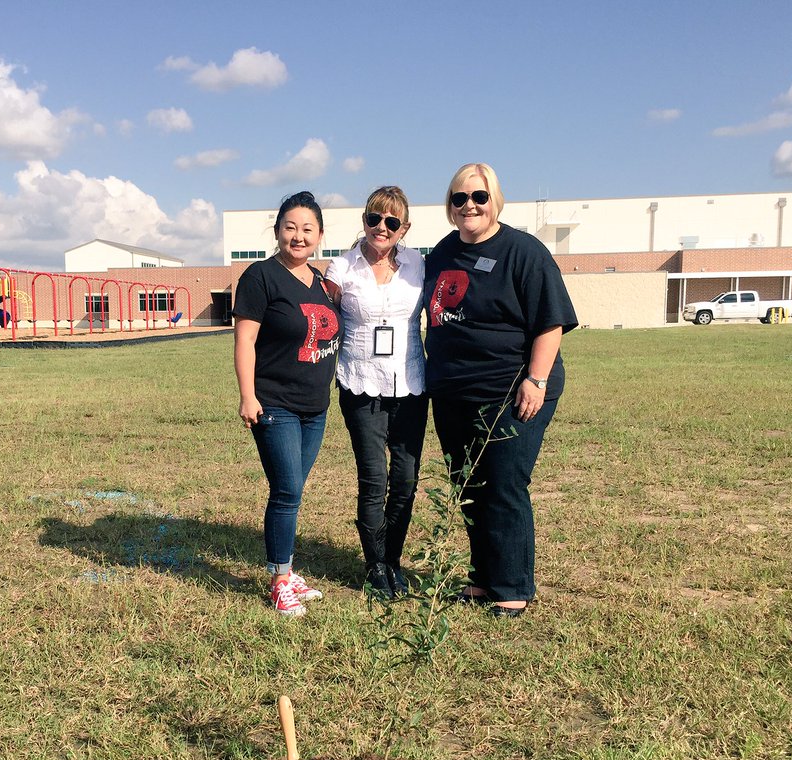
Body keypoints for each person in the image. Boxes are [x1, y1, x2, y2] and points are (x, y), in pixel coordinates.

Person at [423, 163, 578, 617]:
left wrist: (536, 379)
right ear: (450, 205)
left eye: (479, 196)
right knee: (468, 483)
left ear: (495, 200)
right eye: (460, 198)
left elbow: (550, 321)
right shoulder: (443, 252)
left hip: (512, 390)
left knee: (504, 483)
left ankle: (512, 587)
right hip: (453, 391)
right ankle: (482, 578)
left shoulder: (523, 252)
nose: (469, 205)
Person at [233, 191, 341, 617]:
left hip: (316, 407)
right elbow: (245, 340)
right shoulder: (260, 277)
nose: (298, 236)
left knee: (293, 492)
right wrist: (248, 395)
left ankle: (287, 571)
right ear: (277, 231)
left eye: (307, 229)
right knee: (286, 491)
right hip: (275, 404)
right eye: (290, 227)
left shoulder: (322, 283)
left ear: (320, 235)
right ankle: (280, 580)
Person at [325, 186, 427, 597]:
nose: (381, 227)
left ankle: (393, 560)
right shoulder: (341, 268)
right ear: (364, 220)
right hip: (360, 384)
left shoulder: (419, 265)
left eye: (391, 221)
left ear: (404, 227)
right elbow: (318, 316)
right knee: (373, 479)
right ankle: (374, 565)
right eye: (374, 218)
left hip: (410, 384)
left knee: (405, 479)